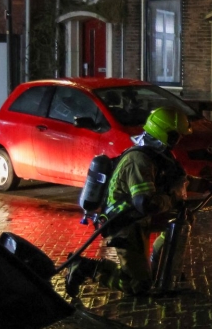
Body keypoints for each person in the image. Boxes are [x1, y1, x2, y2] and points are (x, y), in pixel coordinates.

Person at [65, 106, 192, 298]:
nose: (179, 140)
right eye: (177, 135)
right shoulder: (138, 160)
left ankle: (162, 270)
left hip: (140, 218)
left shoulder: (159, 155)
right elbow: (146, 203)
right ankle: (84, 267)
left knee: (181, 220)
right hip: (123, 223)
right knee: (137, 285)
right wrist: (173, 197)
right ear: (166, 133)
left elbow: (176, 179)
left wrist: (210, 185)